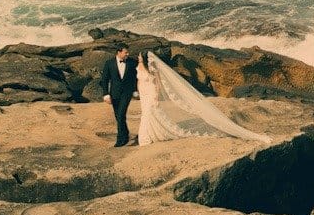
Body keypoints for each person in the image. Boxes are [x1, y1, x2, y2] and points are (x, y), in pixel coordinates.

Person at [134, 50, 270, 146]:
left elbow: (157, 83)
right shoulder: (139, 67)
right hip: (144, 93)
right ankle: (150, 134)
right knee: (146, 114)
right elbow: (139, 81)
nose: (138, 57)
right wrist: (140, 93)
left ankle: (145, 138)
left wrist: (155, 95)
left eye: (140, 56)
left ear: (145, 58)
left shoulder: (152, 68)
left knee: (149, 113)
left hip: (151, 93)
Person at [100, 44, 138, 147]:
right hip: (114, 93)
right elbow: (104, 80)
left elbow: (135, 78)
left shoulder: (132, 62)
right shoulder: (109, 63)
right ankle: (125, 134)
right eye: (126, 52)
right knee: (118, 116)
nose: (128, 54)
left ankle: (120, 139)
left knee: (121, 115)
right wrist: (106, 94)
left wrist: (135, 90)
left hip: (127, 93)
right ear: (119, 52)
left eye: (128, 52)